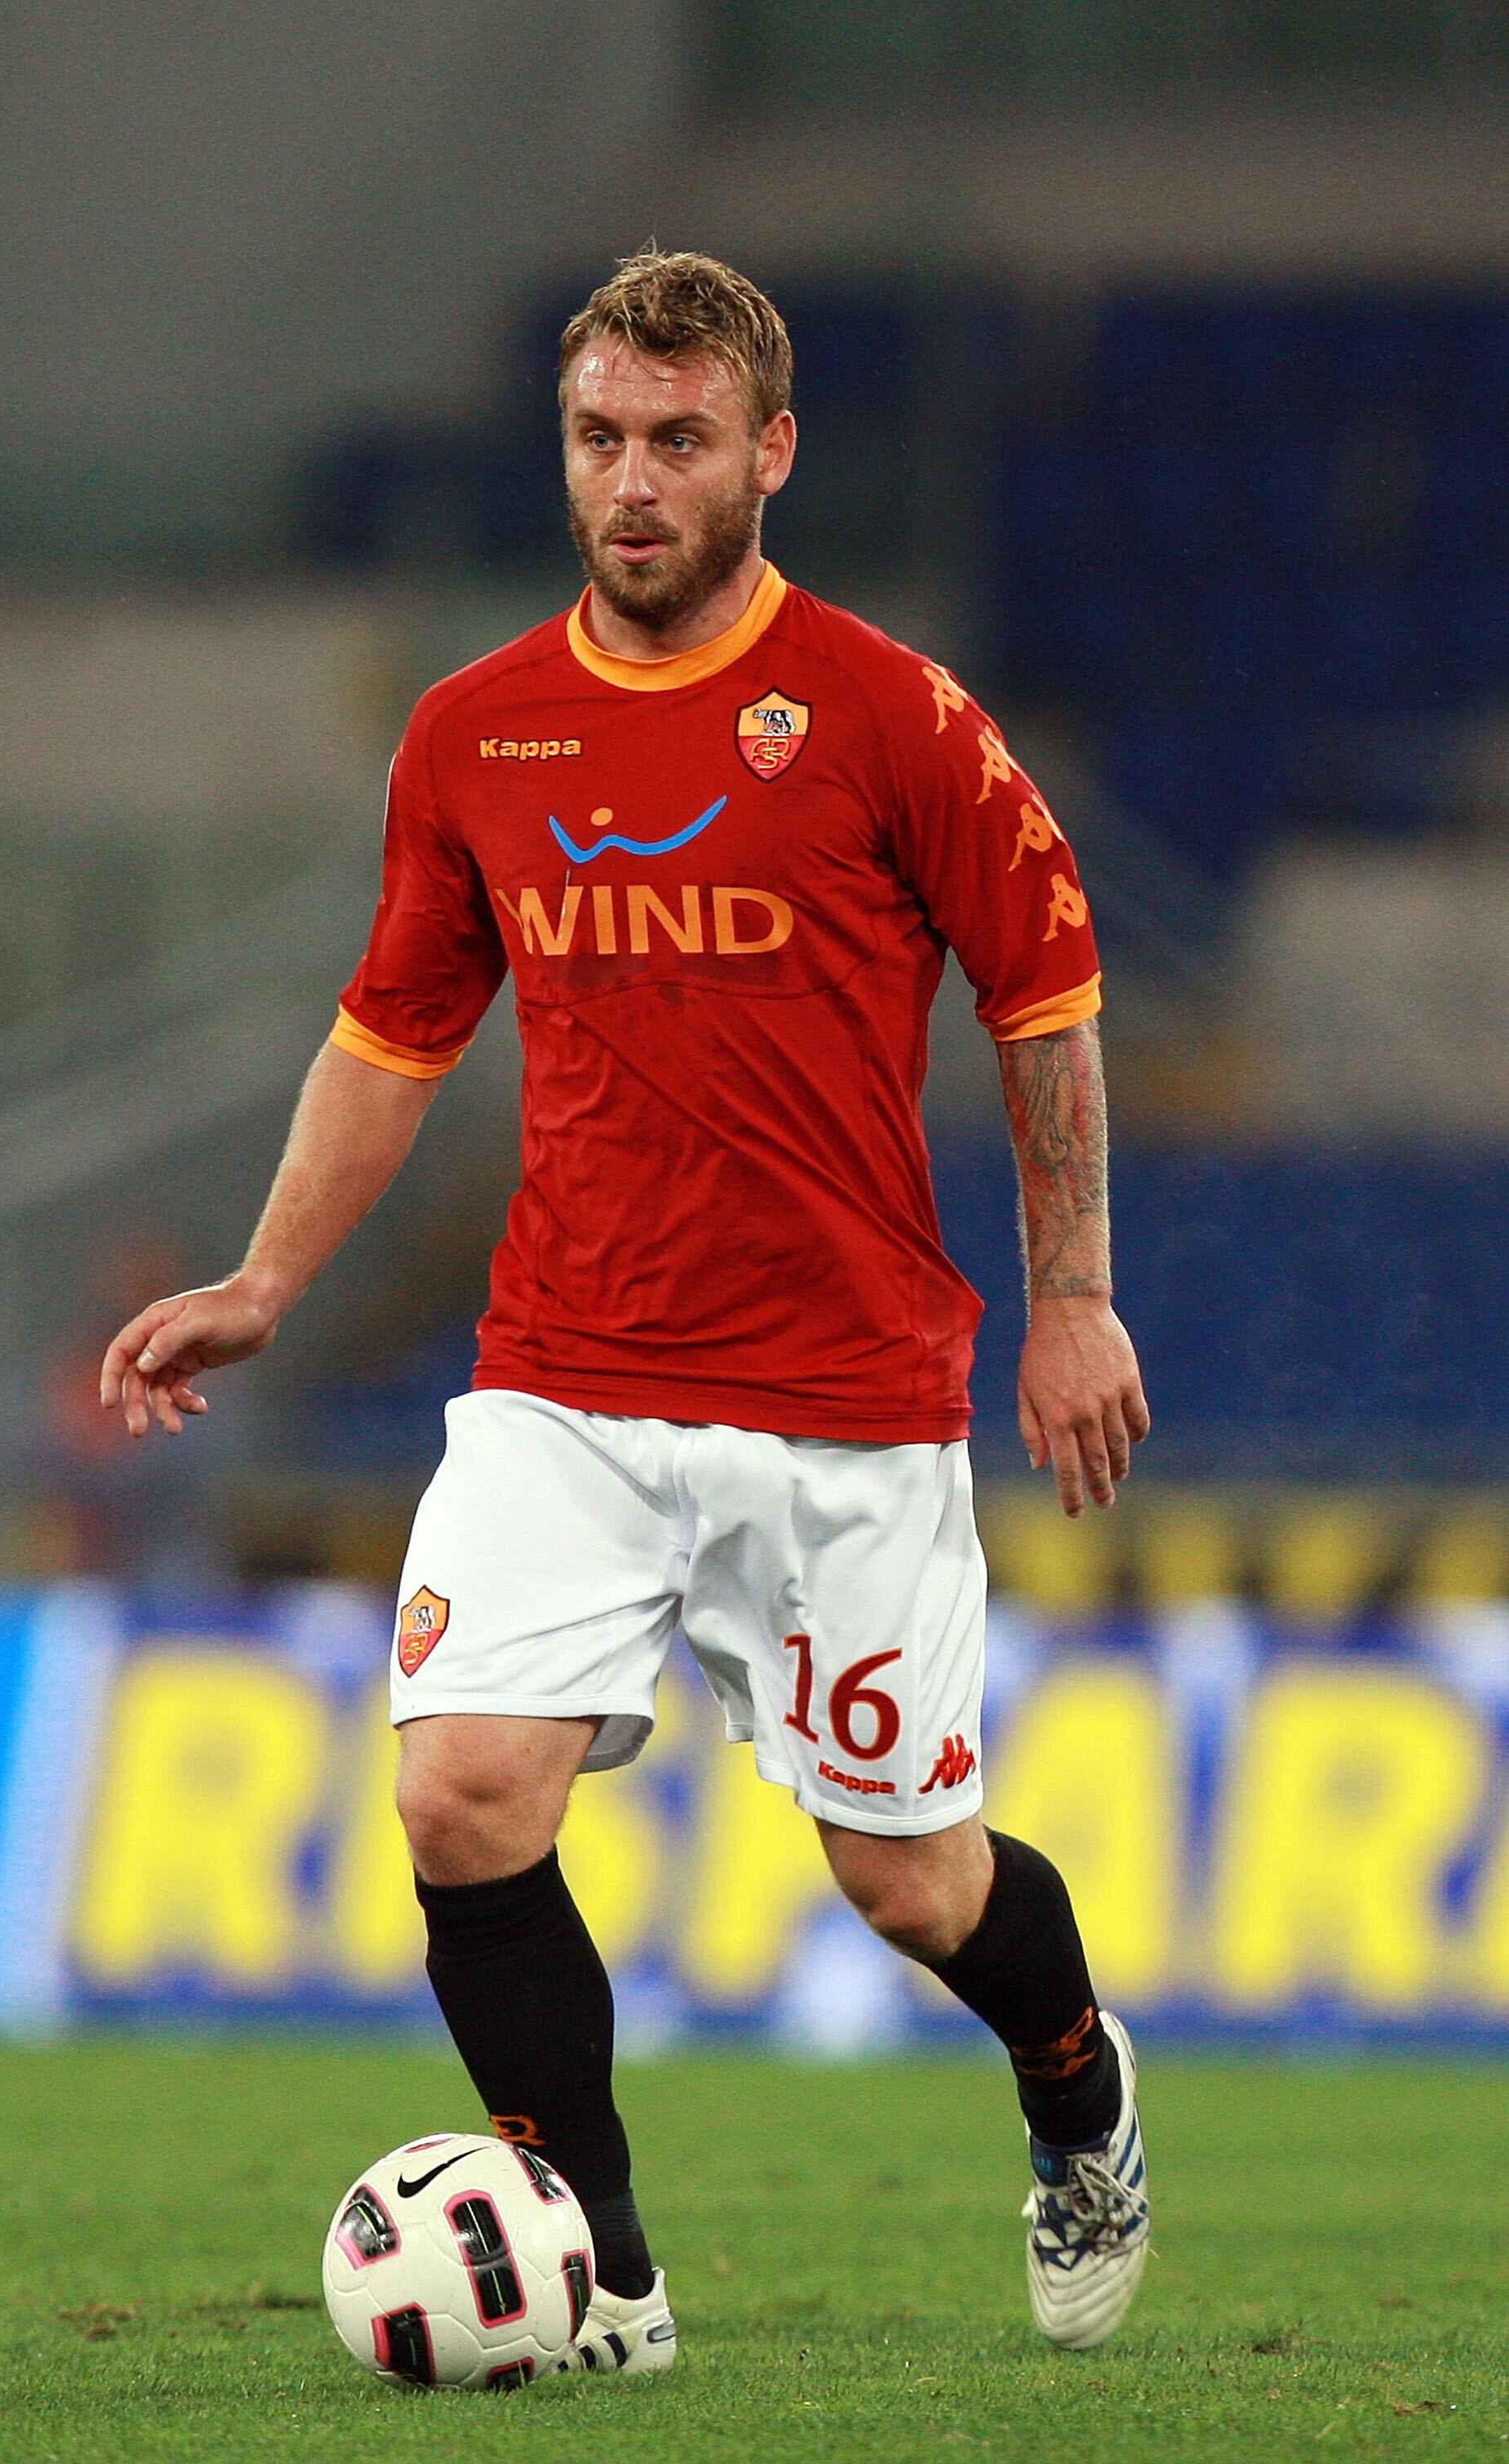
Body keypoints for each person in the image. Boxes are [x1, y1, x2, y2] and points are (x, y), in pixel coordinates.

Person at [101, 250, 1152, 2370]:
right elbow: (391, 1036)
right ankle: (607, 2277)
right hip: (564, 1383)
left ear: (771, 452)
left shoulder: (889, 713)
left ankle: (1078, 2086)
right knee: (457, 1796)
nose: (634, 480)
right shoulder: (475, 732)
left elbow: (1046, 1003)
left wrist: (1075, 1303)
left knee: (912, 1887)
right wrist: (268, 1279)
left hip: (845, 1400)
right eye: (600, 438)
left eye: (680, 440)